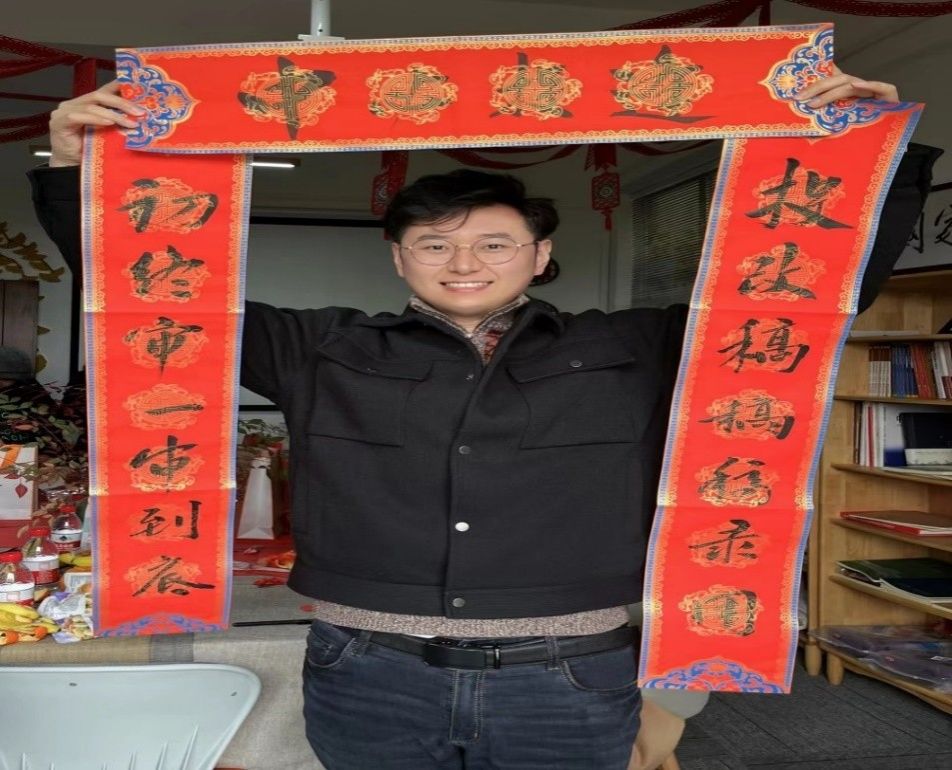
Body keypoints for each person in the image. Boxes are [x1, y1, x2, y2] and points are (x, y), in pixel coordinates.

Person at [29, 69, 937, 769]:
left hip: (571, 674)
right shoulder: (323, 348)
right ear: (400, 259)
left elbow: (809, 295)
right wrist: (78, 170)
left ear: (539, 255)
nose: (463, 262)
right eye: (435, 244)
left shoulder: (632, 347)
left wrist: (875, 160)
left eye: (493, 243)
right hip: (369, 668)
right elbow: (152, 299)